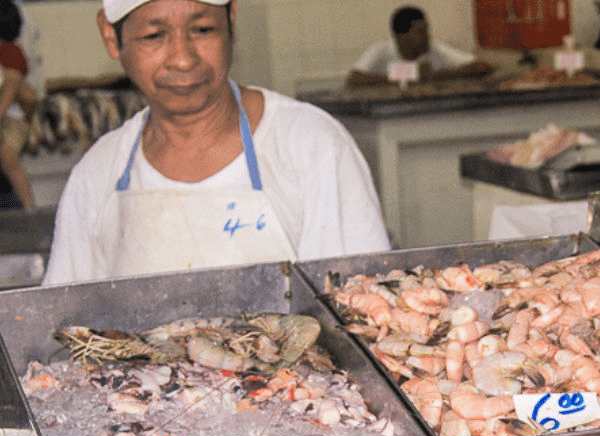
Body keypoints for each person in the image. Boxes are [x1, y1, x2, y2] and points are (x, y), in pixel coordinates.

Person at [43, 0, 391, 286]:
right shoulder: (97, 174)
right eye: (154, 36)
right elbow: (63, 329)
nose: (183, 58)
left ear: (232, 23)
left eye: (203, 30)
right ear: (110, 36)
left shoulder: (311, 146)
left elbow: (360, 311)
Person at [346, 6, 493, 88]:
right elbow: (354, 79)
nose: (427, 36)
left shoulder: (435, 49)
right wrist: (410, 73)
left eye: (426, 30)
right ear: (400, 36)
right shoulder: (380, 51)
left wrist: (434, 76)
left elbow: (482, 67)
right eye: (420, 32)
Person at [0, 0, 36, 209]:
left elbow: (11, 89)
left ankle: (29, 209)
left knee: (8, 157)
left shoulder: (11, 53)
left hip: (12, 118)